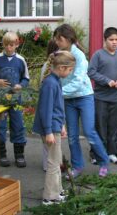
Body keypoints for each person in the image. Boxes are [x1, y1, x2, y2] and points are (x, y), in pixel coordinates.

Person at [53, 24, 109, 178]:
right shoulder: (58, 54)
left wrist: (58, 92)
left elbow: (78, 81)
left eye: (60, 39)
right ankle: (77, 166)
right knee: (72, 135)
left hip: (84, 97)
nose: (57, 42)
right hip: (69, 100)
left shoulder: (79, 56)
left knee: (90, 131)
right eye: (56, 39)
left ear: (68, 39)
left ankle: (104, 162)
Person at [33, 50, 75, 206]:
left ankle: (57, 191)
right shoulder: (50, 83)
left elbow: (58, 107)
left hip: (55, 127)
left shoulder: (56, 80)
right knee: (53, 162)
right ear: (62, 68)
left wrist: (62, 124)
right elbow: (46, 110)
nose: (70, 73)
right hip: (50, 130)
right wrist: (49, 131)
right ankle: (49, 197)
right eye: (70, 70)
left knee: (57, 161)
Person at [88, 27, 117, 164]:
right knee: (100, 126)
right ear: (105, 40)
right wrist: (107, 81)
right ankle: (96, 154)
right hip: (101, 97)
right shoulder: (98, 55)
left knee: (114, 127)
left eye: (116, 40)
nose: (114, 42)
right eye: (111, 40)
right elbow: (91, 72)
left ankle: (112, 153)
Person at [0, 31, 30, 168]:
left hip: (16, 99)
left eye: (11, 45)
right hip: (0, 100)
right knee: (0, 127)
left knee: (18, 126)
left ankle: (19, 155)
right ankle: (1, 154)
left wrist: (20, 85)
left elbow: (26, 78)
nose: (9, 48)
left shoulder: (21, 60)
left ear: (16, 44)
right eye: (6, 45)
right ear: (3, 45)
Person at [40, 39, 59, 172]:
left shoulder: (49, 68)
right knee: (49, 142)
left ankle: (51, 164)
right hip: (50, 114)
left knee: (50, 144)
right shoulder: (50, 78)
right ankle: (50, 166)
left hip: (51, 113)